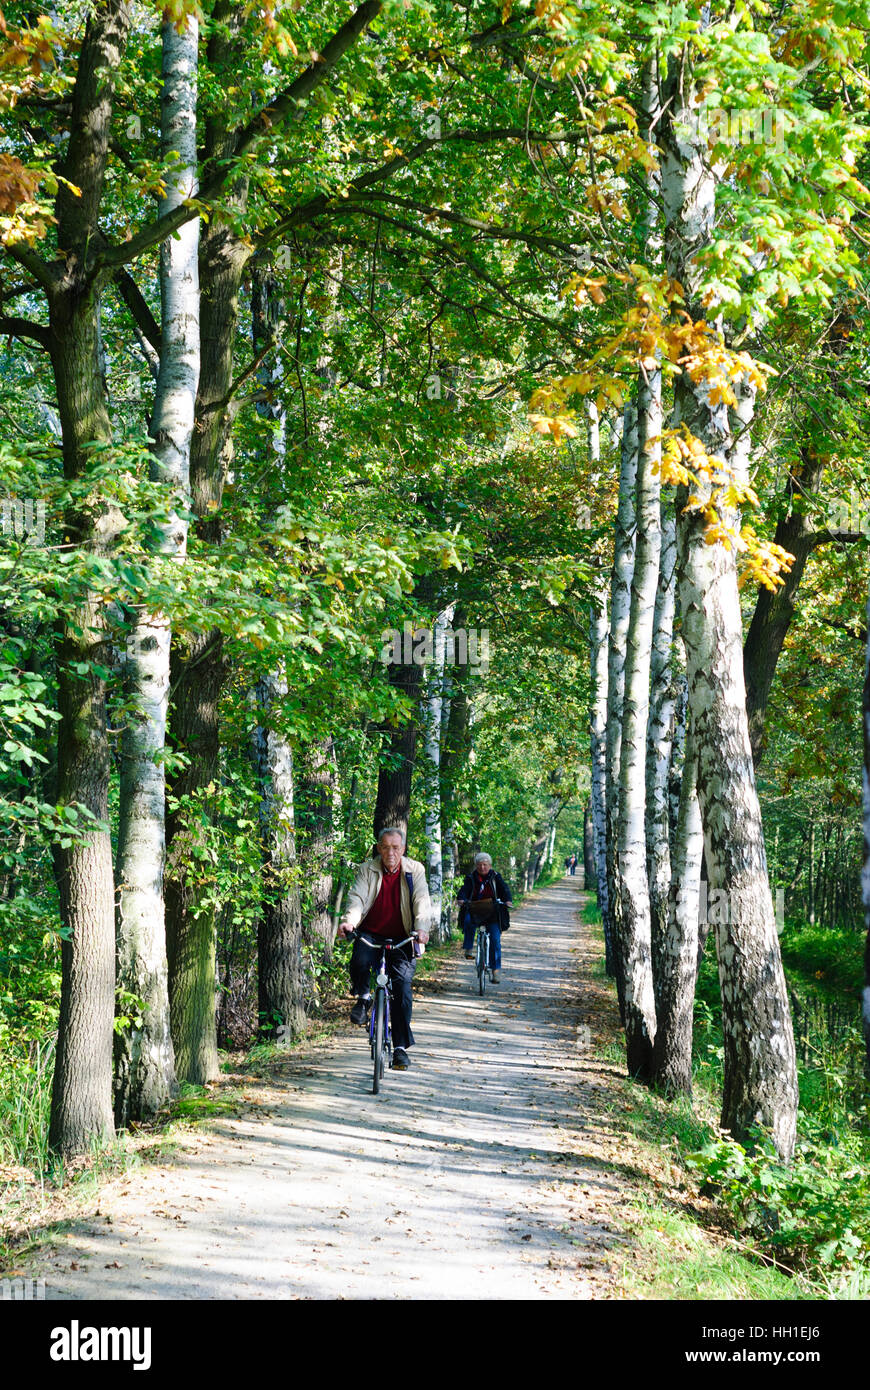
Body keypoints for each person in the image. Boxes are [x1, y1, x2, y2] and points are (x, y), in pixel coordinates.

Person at [338, 826, 431, 1071]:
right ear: (379, 848)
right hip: (370, 931)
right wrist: (350, 921)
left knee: (401, 989)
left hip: (403, 935)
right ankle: (364, 997)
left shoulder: (415, 870)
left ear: (403, 849)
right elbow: (356, 897)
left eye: (396, 847)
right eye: (386, 847)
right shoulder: (367, 869)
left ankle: (400, 1049)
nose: (391, 852)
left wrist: (422, 929)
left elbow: (422, 900)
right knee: (359, 960)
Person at [456, 852, 512, 983]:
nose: (482, 867)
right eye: (479, 865)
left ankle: (495, 971)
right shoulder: (471, 878)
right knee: (469, 921)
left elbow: (505, 889)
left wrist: (508, 900)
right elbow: (464, 890)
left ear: (490, 865)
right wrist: (461, 899)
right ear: (476, 866)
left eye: (485, 865)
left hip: (492, 912)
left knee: (495, 940)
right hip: (475, 909)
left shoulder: (496, 877)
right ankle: (469, 948)